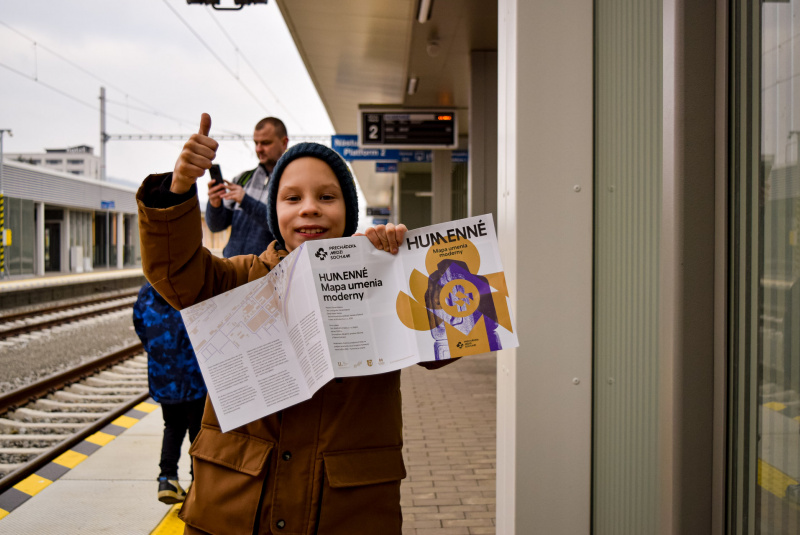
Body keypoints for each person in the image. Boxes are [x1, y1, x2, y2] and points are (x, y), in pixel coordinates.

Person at [136, 113, 454, 534]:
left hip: (344, 513)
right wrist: (177, 192)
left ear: (349, 211)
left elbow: (445, 345)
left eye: (327, 197)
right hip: (233, 510)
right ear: (274, 212)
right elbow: (175, 275)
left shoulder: (377, 280)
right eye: (292, 198)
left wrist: (404, 266)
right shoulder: (240, 278)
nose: (309, 208)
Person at [132, 281, 208, 505]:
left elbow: (140, 325)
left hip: (164, 374)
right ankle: (199, 484)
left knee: (173, 425)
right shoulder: (192, 285)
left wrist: (159, 353)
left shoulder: (147, 291)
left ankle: (167, 479)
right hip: (195, 375)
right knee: (199, 430)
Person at [205, 116, 289, 257]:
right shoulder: (242, 179)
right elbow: (216, 226)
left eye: (265, 143)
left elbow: (283, 228)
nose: (258, 149)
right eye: (256, 143)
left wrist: (246, 201)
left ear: (284, 142)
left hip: (266, 273)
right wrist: (214, 204)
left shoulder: (291, 182)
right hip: (233, 270)